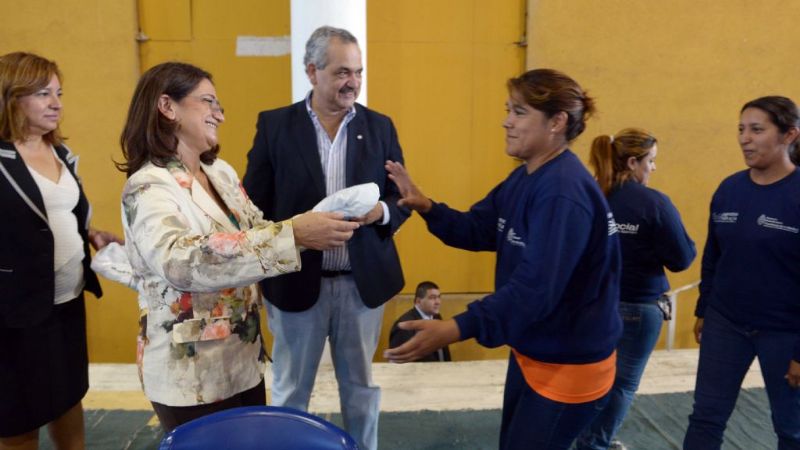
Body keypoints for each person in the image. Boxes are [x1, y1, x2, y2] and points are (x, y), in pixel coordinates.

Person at [384, 68, 622, 450]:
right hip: (537, 351)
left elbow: (535, 288)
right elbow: (478, 228)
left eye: (519, 112)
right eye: (508, 109)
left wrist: (458, 327)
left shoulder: (562, 192)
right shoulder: (527, 177)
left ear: (557, 122)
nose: (506, 121)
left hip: (570, 365)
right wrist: (428, 207)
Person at [117, 61, 358, 432]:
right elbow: (181, 261)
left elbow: (256, 229)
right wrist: (293, 235)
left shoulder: (221, 174)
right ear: (167, 107)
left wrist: (315, 226)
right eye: (208, 102)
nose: (220, 115)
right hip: (192, 374)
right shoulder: (148, 186)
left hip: (242, 359)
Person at [242, 25, 409, 450]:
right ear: (311, 71)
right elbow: (251, 207)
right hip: (295, 284)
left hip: (362, 286)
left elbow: (402, 197)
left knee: (360, 390)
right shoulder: (275, 126)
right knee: (291, 391)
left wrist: (382, 212)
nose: (352, 82)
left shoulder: (380, 127)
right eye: (341, 72)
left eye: (358, 72)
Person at [0, 52, 121, 449]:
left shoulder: (61, 154)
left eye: (58, 92)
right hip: (15, 312)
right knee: (20, 417)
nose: (56, 103)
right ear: (10, 97)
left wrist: (91, 234)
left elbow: (58, 214)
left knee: (69, 397)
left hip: (66, 301)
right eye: (42, 93)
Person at [684, 96, 800, 449]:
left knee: (791, 429)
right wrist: (705, 308)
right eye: (741, 129)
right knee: (705, 417)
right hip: (726, 323)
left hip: (785, 332)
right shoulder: (729, 189)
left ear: (789, 135)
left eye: (756, 129)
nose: (744, 138)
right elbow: (713, 256)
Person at [575, 129, 696, 450]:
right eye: (651, 161)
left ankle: (586, 438)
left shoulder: (592, 195)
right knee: (623, 384)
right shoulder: (653, 203)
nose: (653, 168)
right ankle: (595, 443)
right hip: (638, 307)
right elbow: (682, 257)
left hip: (593, 304)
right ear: (632, 162)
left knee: (591, 378)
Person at [389, 281, 452, 362]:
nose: (438, 302)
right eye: (432, 298)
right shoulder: (404, 326)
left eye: (439, 297)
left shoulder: (437, 317)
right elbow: (399, 362)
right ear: (418, 301)